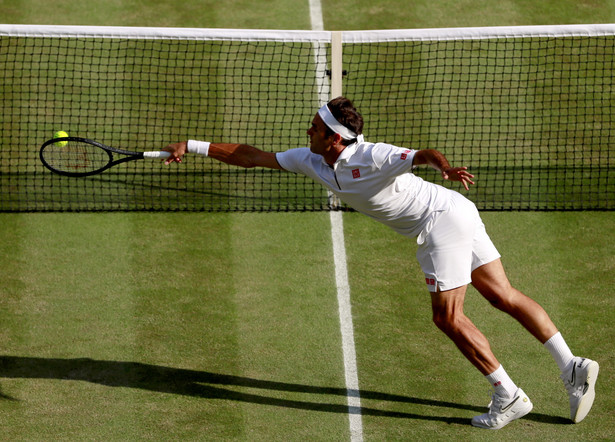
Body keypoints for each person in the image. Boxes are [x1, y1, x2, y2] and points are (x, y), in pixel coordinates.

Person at [163, 96, 599, 430]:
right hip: (456, 212)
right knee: (502, 295)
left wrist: (443, 167)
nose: (308, 131)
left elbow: (422, 156)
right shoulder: (311, 159)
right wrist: (193, 145)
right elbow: (252, 155)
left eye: (315, 128)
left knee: (448, 317)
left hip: (440, 220)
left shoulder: (372, 156)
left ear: (336, 138)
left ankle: (507, 395)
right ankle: (572, 365)